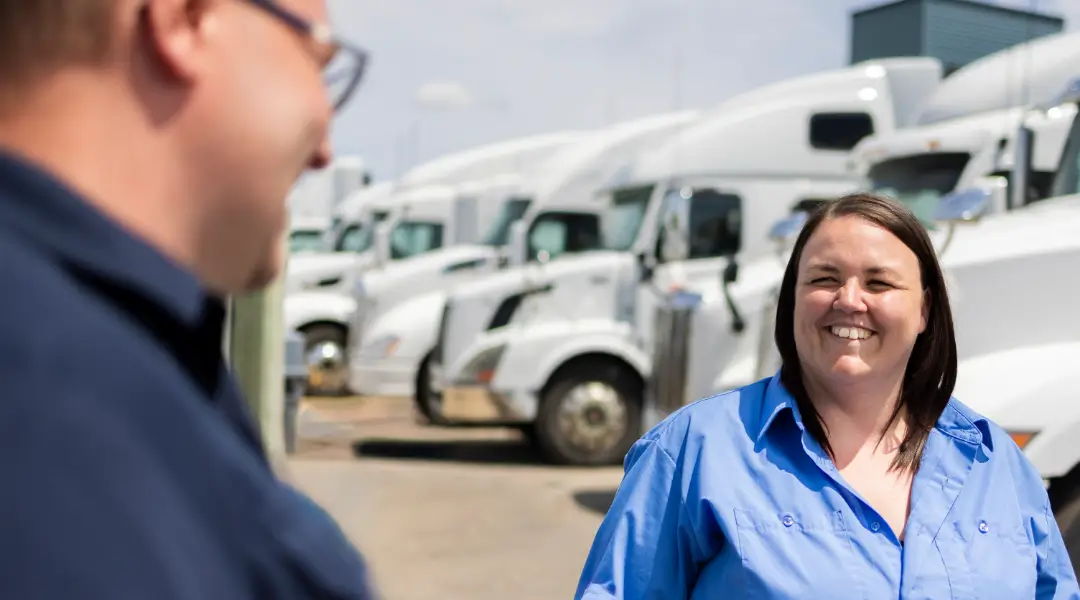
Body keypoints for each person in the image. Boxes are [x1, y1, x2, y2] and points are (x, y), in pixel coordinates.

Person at [0, 1, 376, 598]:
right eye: (317, 59)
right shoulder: (64, 438)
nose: (326, 142)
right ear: (184, 20)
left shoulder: (120, 350)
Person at [574, 193, 1080, 599]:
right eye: (824, 279)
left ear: (925, 311)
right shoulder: (691, 451)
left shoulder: (999, 466)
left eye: (879, 283)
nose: (849, 301)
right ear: (792, 296)